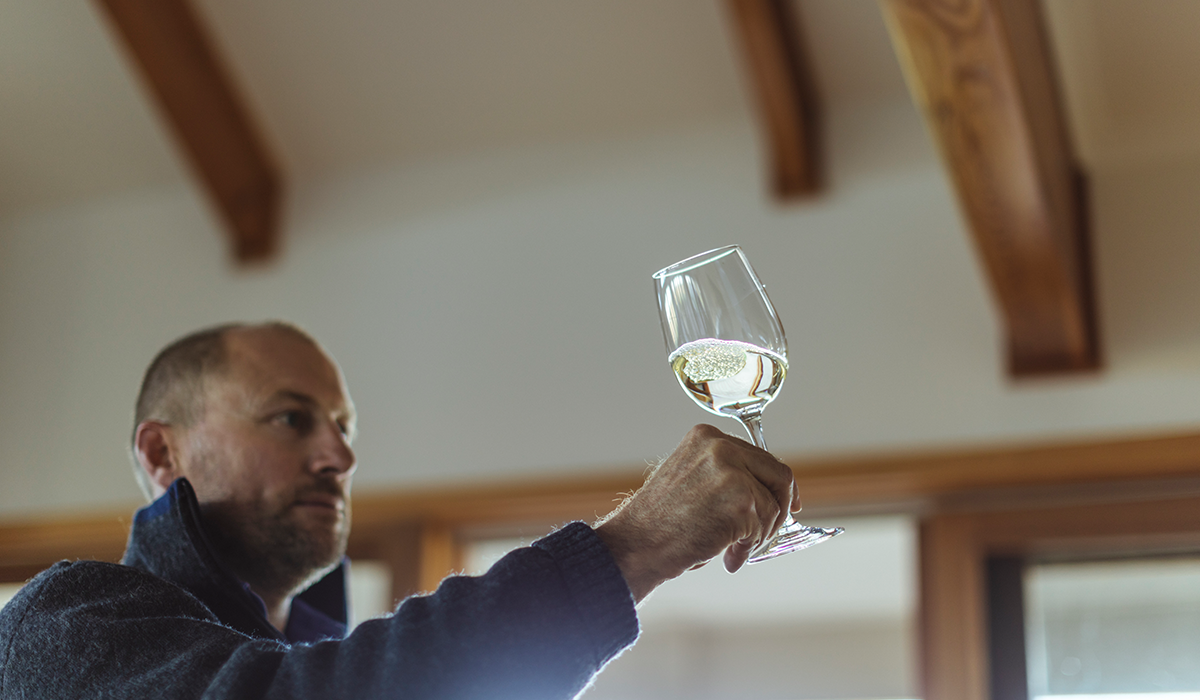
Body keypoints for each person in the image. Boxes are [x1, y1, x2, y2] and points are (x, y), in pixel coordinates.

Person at [0, 322, 799, 699]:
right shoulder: (62, 626)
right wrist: (633, 546)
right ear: (160, 454)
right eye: (291, 419)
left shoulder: (326, 656)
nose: (339, 457)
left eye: (344, 429)